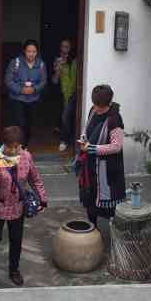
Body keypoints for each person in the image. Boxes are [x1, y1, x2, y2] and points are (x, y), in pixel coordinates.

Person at [0, 126, 47, 286]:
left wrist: (43, 198)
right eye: (10, 146)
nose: (14, 150)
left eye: (17, 146)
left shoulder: (26, 157)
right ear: (4, 144)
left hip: (17, 207)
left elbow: (35, 179)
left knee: (16, 240)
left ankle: (14, 269)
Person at [76, 84, 126, 227]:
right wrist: (84, 139)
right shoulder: (93, 110)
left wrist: (92, 148)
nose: (97, 109)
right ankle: (92, 229)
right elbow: (87, 128)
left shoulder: (114, 120)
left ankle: (114, 230)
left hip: (107, 169)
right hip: (90, 166)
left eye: (101, 107)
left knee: (108, 203)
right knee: (90, 198)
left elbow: (116, 147)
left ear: (109, 103)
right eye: (96, 105)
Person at [4, 39, 47, 149]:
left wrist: (34, 89)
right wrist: (20, 90)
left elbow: (43, 81)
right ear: (24, 51)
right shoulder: (16, 62)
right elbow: (8, 80)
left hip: (33, 99)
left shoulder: (41, 64)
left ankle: (24, 145)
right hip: (17, 98)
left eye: (34, 51)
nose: (31, 54)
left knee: (29, 125)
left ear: (37, 52)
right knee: (19, 124)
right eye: (29, 51)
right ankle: (17, 147)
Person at [52, 38, 77, 153]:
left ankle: (67, 139)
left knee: (69, 116)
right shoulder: (58, 61)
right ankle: (64, 140)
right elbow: (55, 81)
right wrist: (58, 69)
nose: (64, 49)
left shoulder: (76, 61)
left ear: (71, 48)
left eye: (67, 47)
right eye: (63, 47)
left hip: (76, 92)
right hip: (63, 93)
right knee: (65, 116)